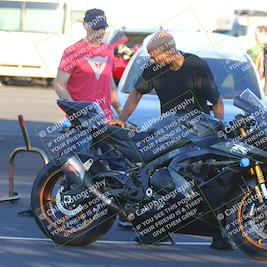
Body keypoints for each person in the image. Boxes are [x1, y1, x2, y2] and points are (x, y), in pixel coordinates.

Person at [116, 32, 231, 250]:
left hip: (199, 133)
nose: (151, 59)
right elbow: (136, 93)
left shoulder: (196, 66)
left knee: (204, 184)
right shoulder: (155, 69)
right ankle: (156, 229)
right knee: (161, 180)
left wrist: (219, 132)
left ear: (168, 52)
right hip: (170, 133)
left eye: (154, 55)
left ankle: (220, 235)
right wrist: (122, 120)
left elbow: (216, 101)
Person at [56, 8, 121, 121]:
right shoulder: (72, 51)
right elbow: (59, 85)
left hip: (106, 119)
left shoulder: (109, 50)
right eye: (96, 28)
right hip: (80, 122)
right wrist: (76, 112)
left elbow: (111, 85)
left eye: (103, 28)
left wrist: (121, 113)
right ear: (85, 25)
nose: (100, 32)